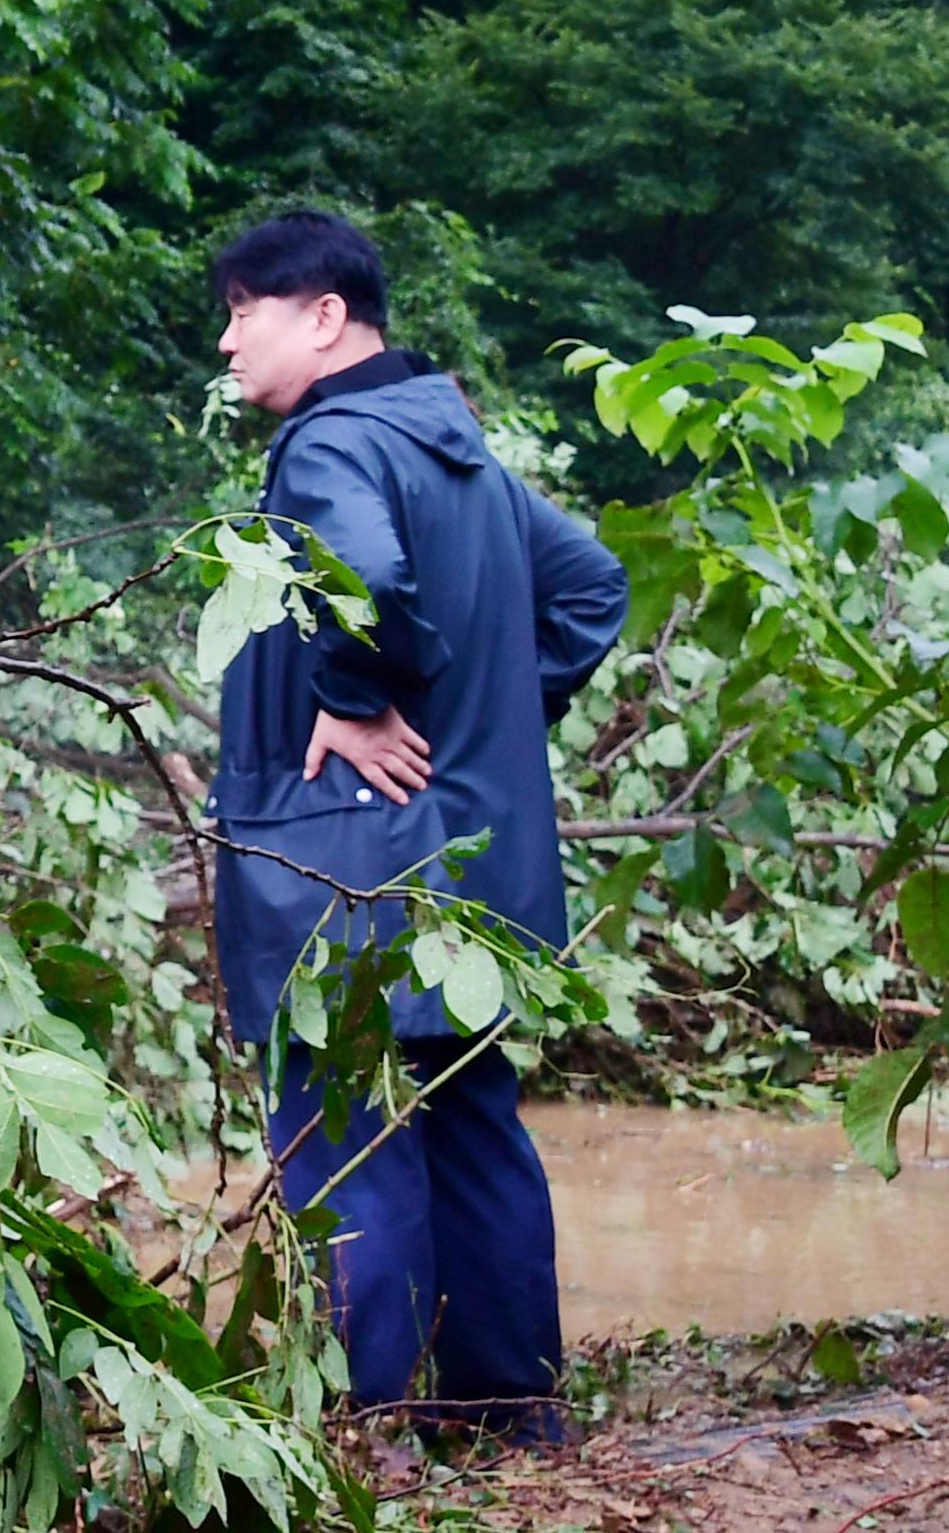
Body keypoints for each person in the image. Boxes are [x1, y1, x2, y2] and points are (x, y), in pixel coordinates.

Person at [204, 208, 626, 1437]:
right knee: (469, 1116)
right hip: (466, 874)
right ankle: (511, 1410)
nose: (228, 342)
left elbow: (366, 578)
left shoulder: (330, 444)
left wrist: (362, 694)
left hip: (351, 866)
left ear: (324, 316)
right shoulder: (457, 445)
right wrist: (486, 719)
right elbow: (593, 585)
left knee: (349, 1125)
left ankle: (364, 1426)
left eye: (244, 311)